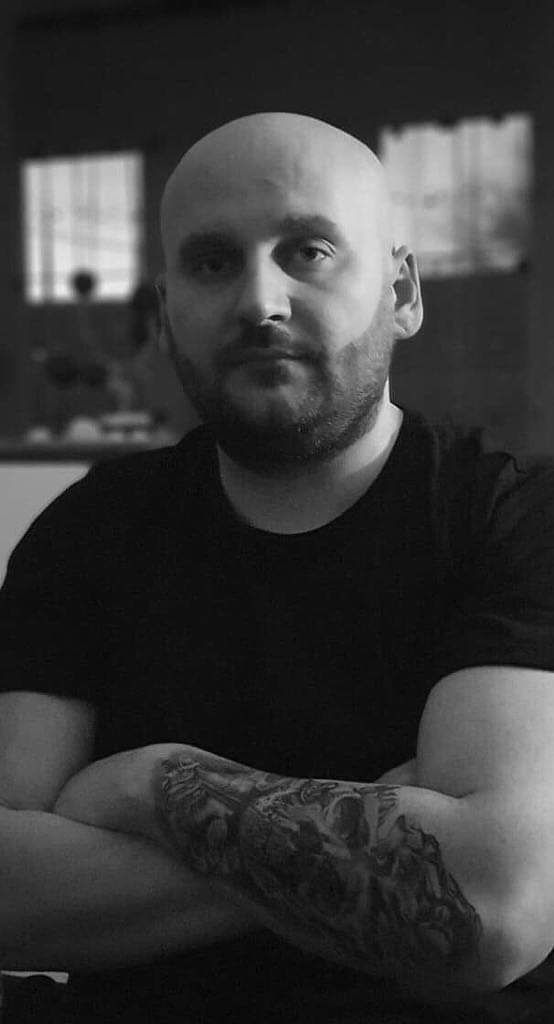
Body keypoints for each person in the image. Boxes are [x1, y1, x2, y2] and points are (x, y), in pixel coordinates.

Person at [2, 111, 554, 1024]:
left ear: (403, 288)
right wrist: (380, 840)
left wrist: (155, 784)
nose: (260, 300)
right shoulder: (88, 530)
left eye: (308, 250)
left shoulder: (517, 517)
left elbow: (492, 908)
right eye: (213, 262)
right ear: (166, 304)